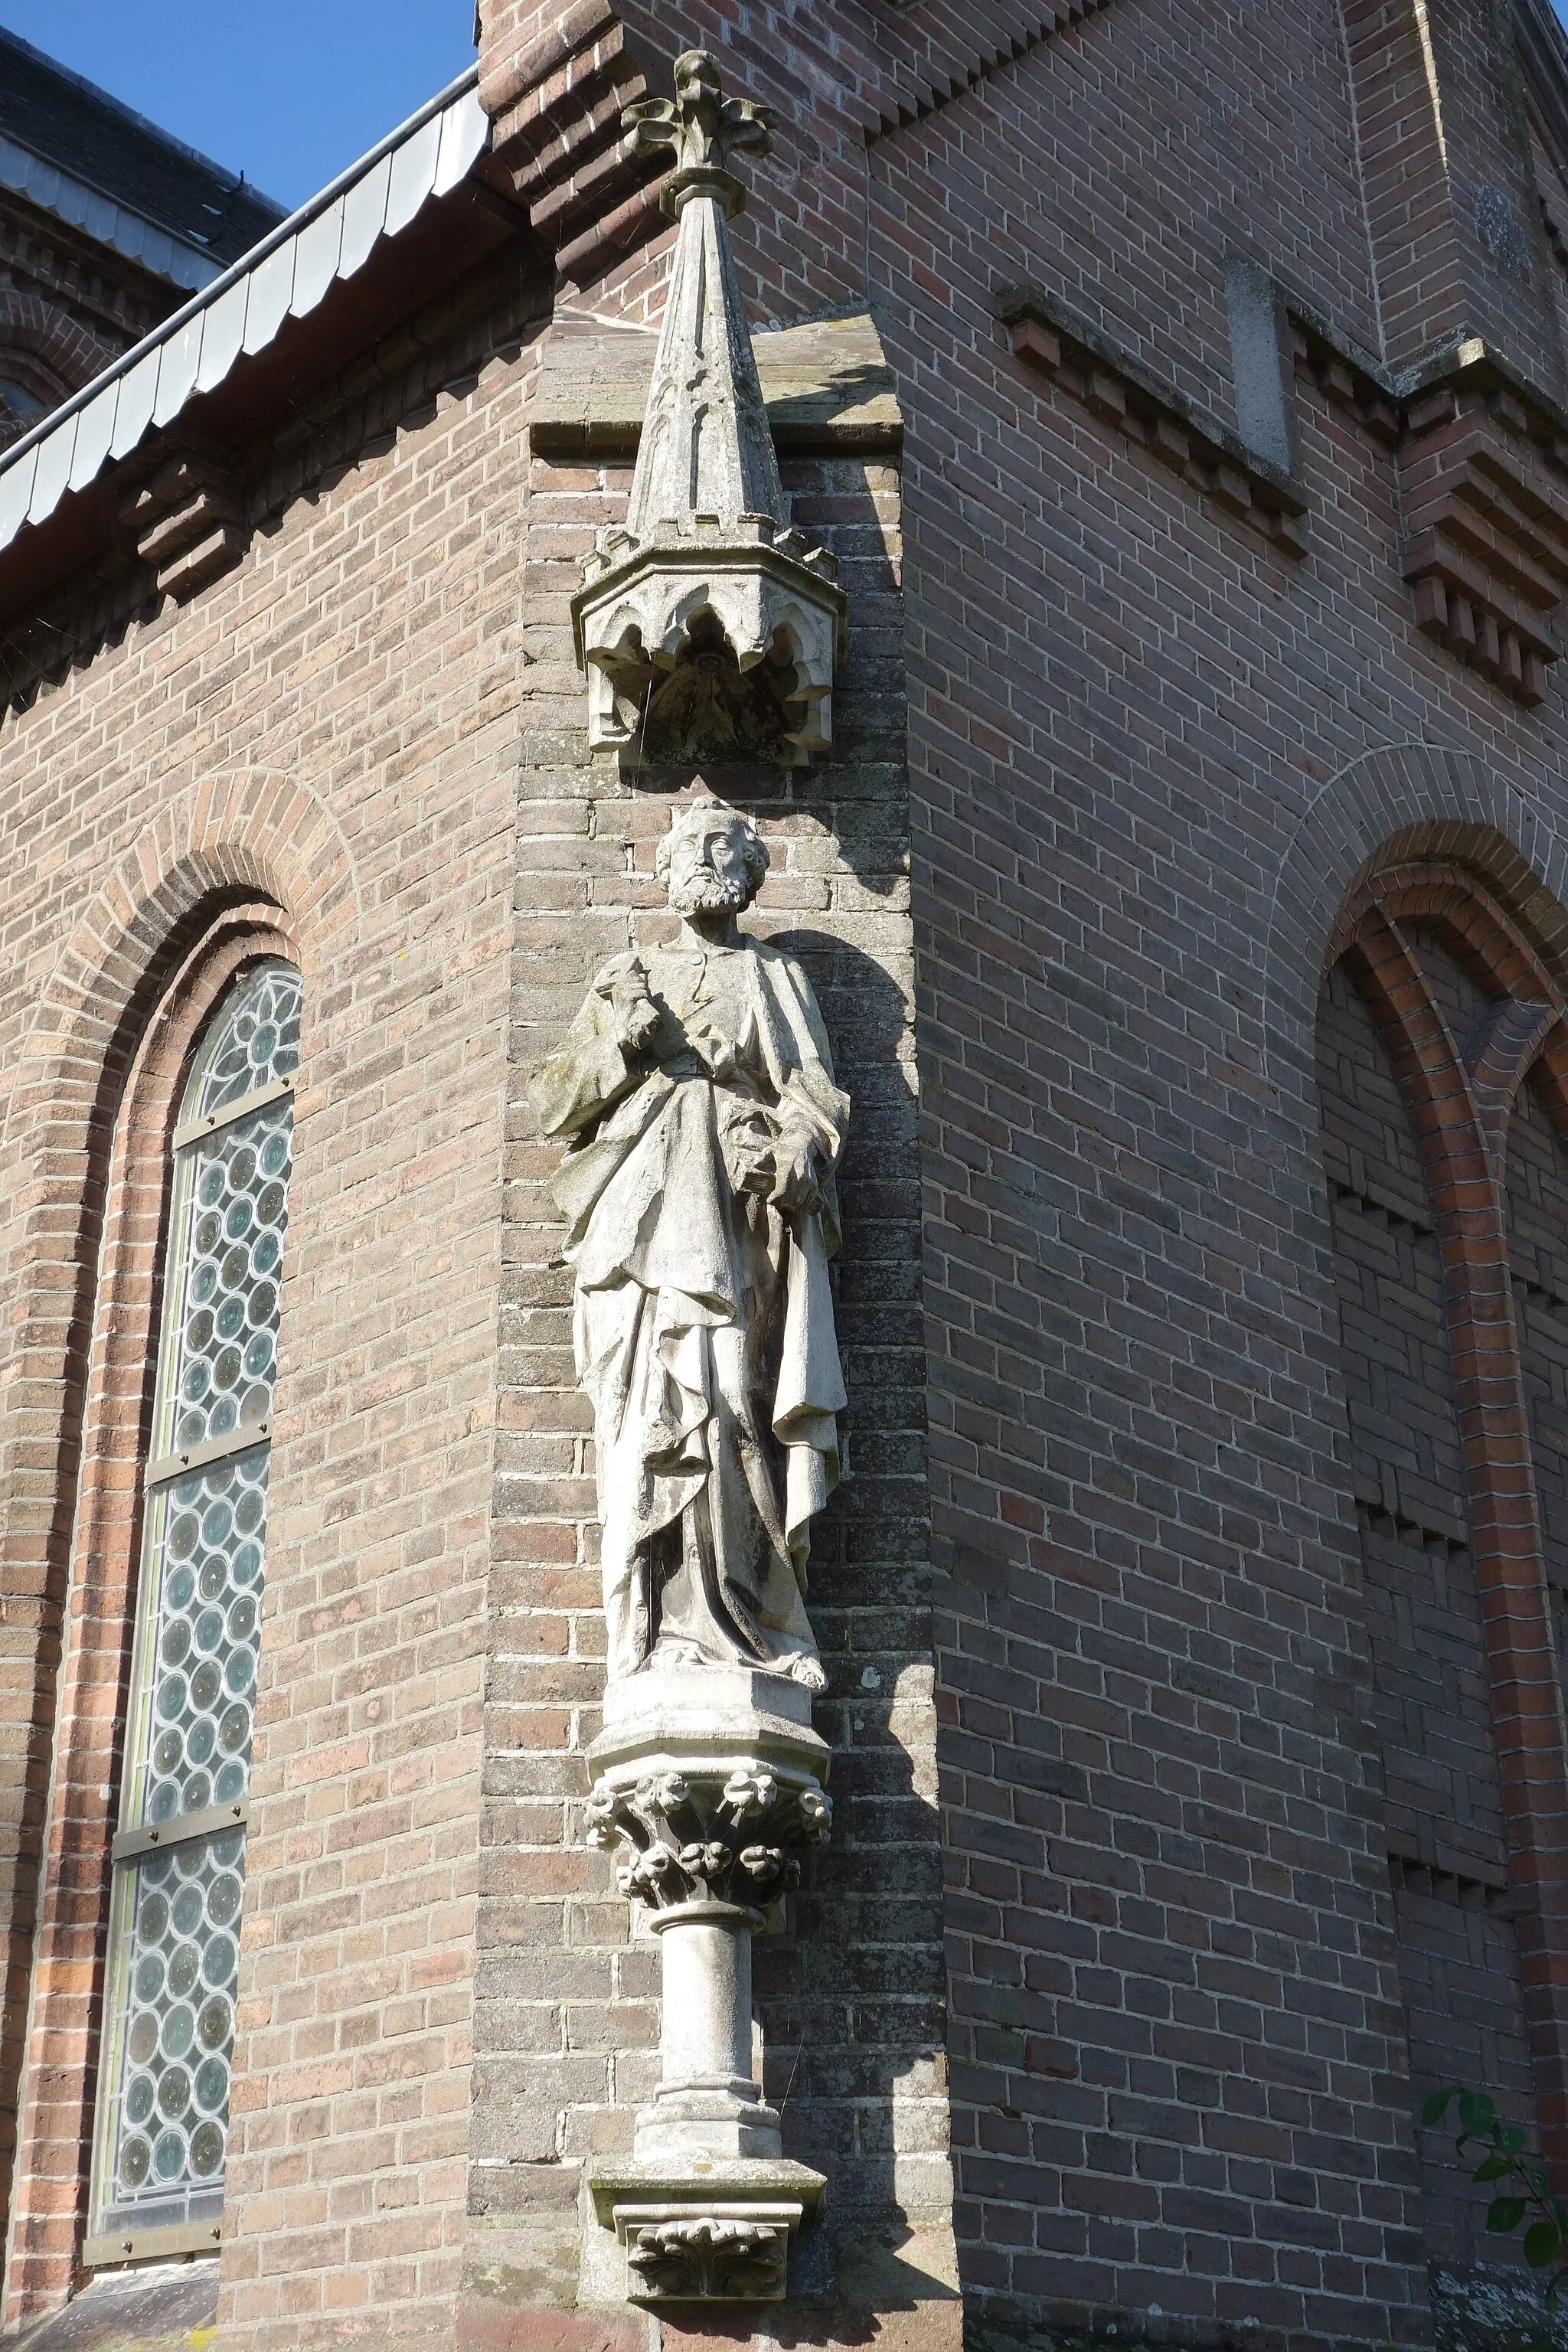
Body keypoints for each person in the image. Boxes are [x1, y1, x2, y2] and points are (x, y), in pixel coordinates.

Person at [531, 802, 848, 1687]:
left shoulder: (775, 977)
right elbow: (555, 1105)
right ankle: (648, 1618)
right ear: (665, 871)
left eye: (727, 850)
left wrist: (793, 1149)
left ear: (749, 874)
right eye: (692, 850)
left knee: (731, 1404)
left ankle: (740, 1617)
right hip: (638, 1224)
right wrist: (620, 1051)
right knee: (645, 1413)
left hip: (737, 1227)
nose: (709, 863)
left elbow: (815, 1099)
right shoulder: (626, 975)